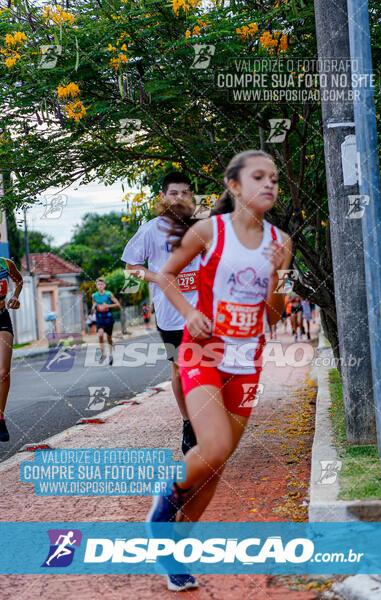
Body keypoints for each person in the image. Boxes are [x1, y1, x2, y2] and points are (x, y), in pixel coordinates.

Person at [147, 150, 292, 591]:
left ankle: (173, 553)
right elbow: (166, 275)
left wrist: (272, 277)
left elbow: (274, 316)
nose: (269, 184)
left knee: (216, 464)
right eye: (258, 177)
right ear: (234, 186)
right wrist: (189, 313)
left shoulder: (280, 242)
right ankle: (165, 498)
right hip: (203, 353)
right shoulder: (208, 231)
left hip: (247, 362)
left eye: (274, 178)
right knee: (212, 445)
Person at [121, 172, 201, 456]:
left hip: (203, 310)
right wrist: (159, 279)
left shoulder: (202, 226)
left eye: (185, 193)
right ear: (162, 197)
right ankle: (189, 422)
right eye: (174, 193)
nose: (179, 198)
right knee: (180, 369)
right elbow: (132, 267)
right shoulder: (150, 230)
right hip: (170, 315)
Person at [0, 256, 23, 442]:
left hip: (2, 318)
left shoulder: (6, 263)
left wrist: (15, 296)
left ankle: (0, 418)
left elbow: (19, 280)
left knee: (3, 372)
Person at [91, 278, 120, 365]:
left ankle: (111, 354)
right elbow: (94, 304)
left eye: (101, 284)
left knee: (109, 338)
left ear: (104, 285)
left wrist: (108, 305)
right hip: (99, 317)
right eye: (98, 285)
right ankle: (103, 354)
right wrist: (93, 308)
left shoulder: (109, 294)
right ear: (96, 286)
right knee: (100, 334)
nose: (100, 286)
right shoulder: (94, 295)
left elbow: (117, 304)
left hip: (108, 317)